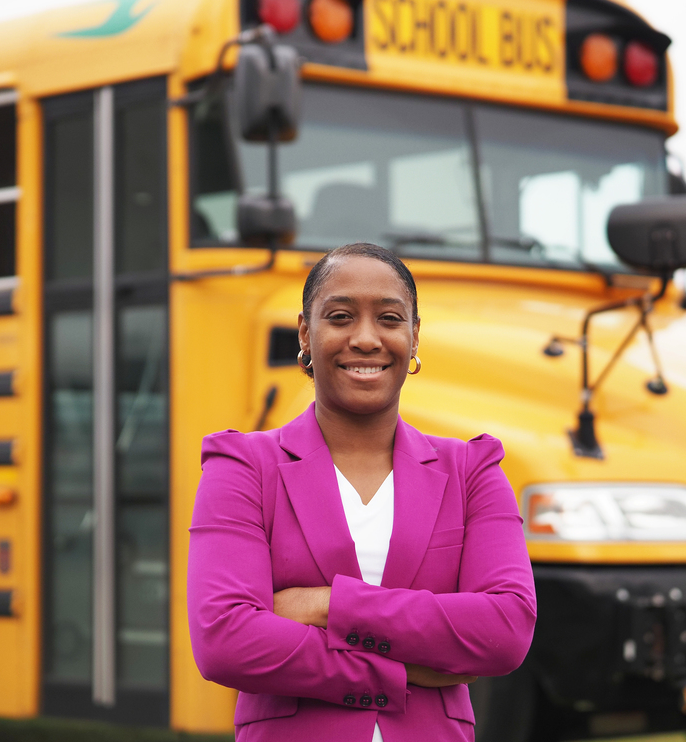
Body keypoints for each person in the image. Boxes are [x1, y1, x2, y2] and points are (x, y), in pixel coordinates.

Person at [188, 243, 536, 742]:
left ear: (414, 336)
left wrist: (329, 607)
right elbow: (224, 641)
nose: (366, 339)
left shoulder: (472, 470)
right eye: (341, 317)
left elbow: (505, 631)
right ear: (307, 333)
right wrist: (398, 672)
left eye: (390, 319)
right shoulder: (243, 467)